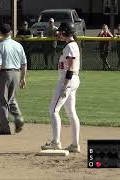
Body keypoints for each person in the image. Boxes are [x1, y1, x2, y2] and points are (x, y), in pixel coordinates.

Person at [41, 22, 81, 153]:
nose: (59, 33)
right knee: (71, 112)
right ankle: (75, 144)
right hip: (73, 80)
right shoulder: (72, 45)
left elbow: (71, 67)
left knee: (53, 110)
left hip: (67, 80)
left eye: (61, 31)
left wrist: (65, 85)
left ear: (65, 32)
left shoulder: (70, 46)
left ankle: (55, 142)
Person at [0, 24, 27, 135]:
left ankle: (4, 128)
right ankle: (19, 118)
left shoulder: (0, 46)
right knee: (11, 99)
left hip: (4, 74)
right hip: (16, 73)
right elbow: (24, 64)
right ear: (10, 32)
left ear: (0, 33)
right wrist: (23, 78)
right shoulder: (18, 45)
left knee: (2, 102)